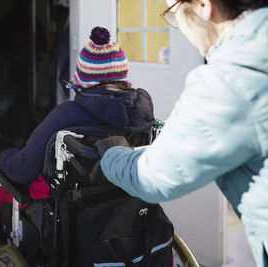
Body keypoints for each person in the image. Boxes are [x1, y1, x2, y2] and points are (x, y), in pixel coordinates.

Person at [95, 1, 268, 266]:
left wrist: (111, 154)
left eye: (173, 14)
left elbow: (152, 176)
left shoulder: (231, 77)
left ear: (202, 5)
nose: (180, 29)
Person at [0, 26, 155, 209]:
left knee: (1, 191)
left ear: (83, 77)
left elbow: (23, 171)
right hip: (120, 202)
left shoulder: (65, 115)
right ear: (123, 75)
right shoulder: (141, 113)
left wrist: (2, 159)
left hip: (63, 207)